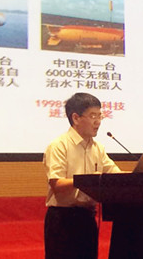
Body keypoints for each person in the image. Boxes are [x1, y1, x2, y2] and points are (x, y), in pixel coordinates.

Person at [43, 92, 121, 259]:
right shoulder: (59, 146)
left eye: (100, 116)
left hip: (87, 218)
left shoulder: (98, 148)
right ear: (76, 118)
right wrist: (86, 181)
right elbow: (56, 184)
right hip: (62, 220)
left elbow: (116, 175)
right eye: (93, 116)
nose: (98, 121)